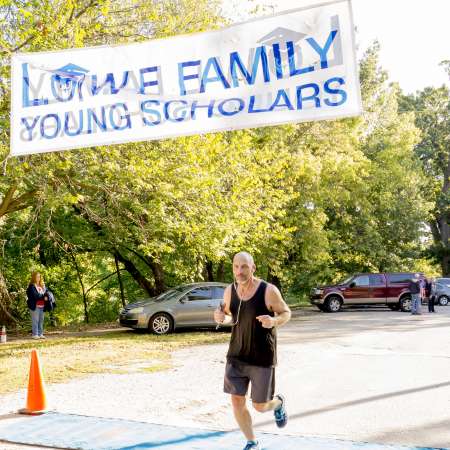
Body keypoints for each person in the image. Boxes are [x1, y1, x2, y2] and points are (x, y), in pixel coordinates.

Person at [214, 252, 291, 450]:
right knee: (237, 402)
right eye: (236, 266)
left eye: (244, 267)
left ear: (253, 268)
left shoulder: (268, 291)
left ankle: (278, 404)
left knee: (260, 406)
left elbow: (286, 312)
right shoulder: (229, 291)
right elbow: (232, 316)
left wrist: (274, 321)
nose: (239, 271)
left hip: (261, 357)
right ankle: (252, 442)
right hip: (236, 355)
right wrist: (220, 316)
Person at [26, 271, 47, 339]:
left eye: (39, 276)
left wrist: (45, 295)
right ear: (34, 277)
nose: (38, 278)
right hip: (35, 306)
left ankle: (40, 334)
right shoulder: (32, 286)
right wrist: (43, 296)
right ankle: (35, 334)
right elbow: (36, 296)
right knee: (35, 320)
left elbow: (47, 294)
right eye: (37, 276)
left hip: (42, 306)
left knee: (41, 320)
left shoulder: (42, 285)